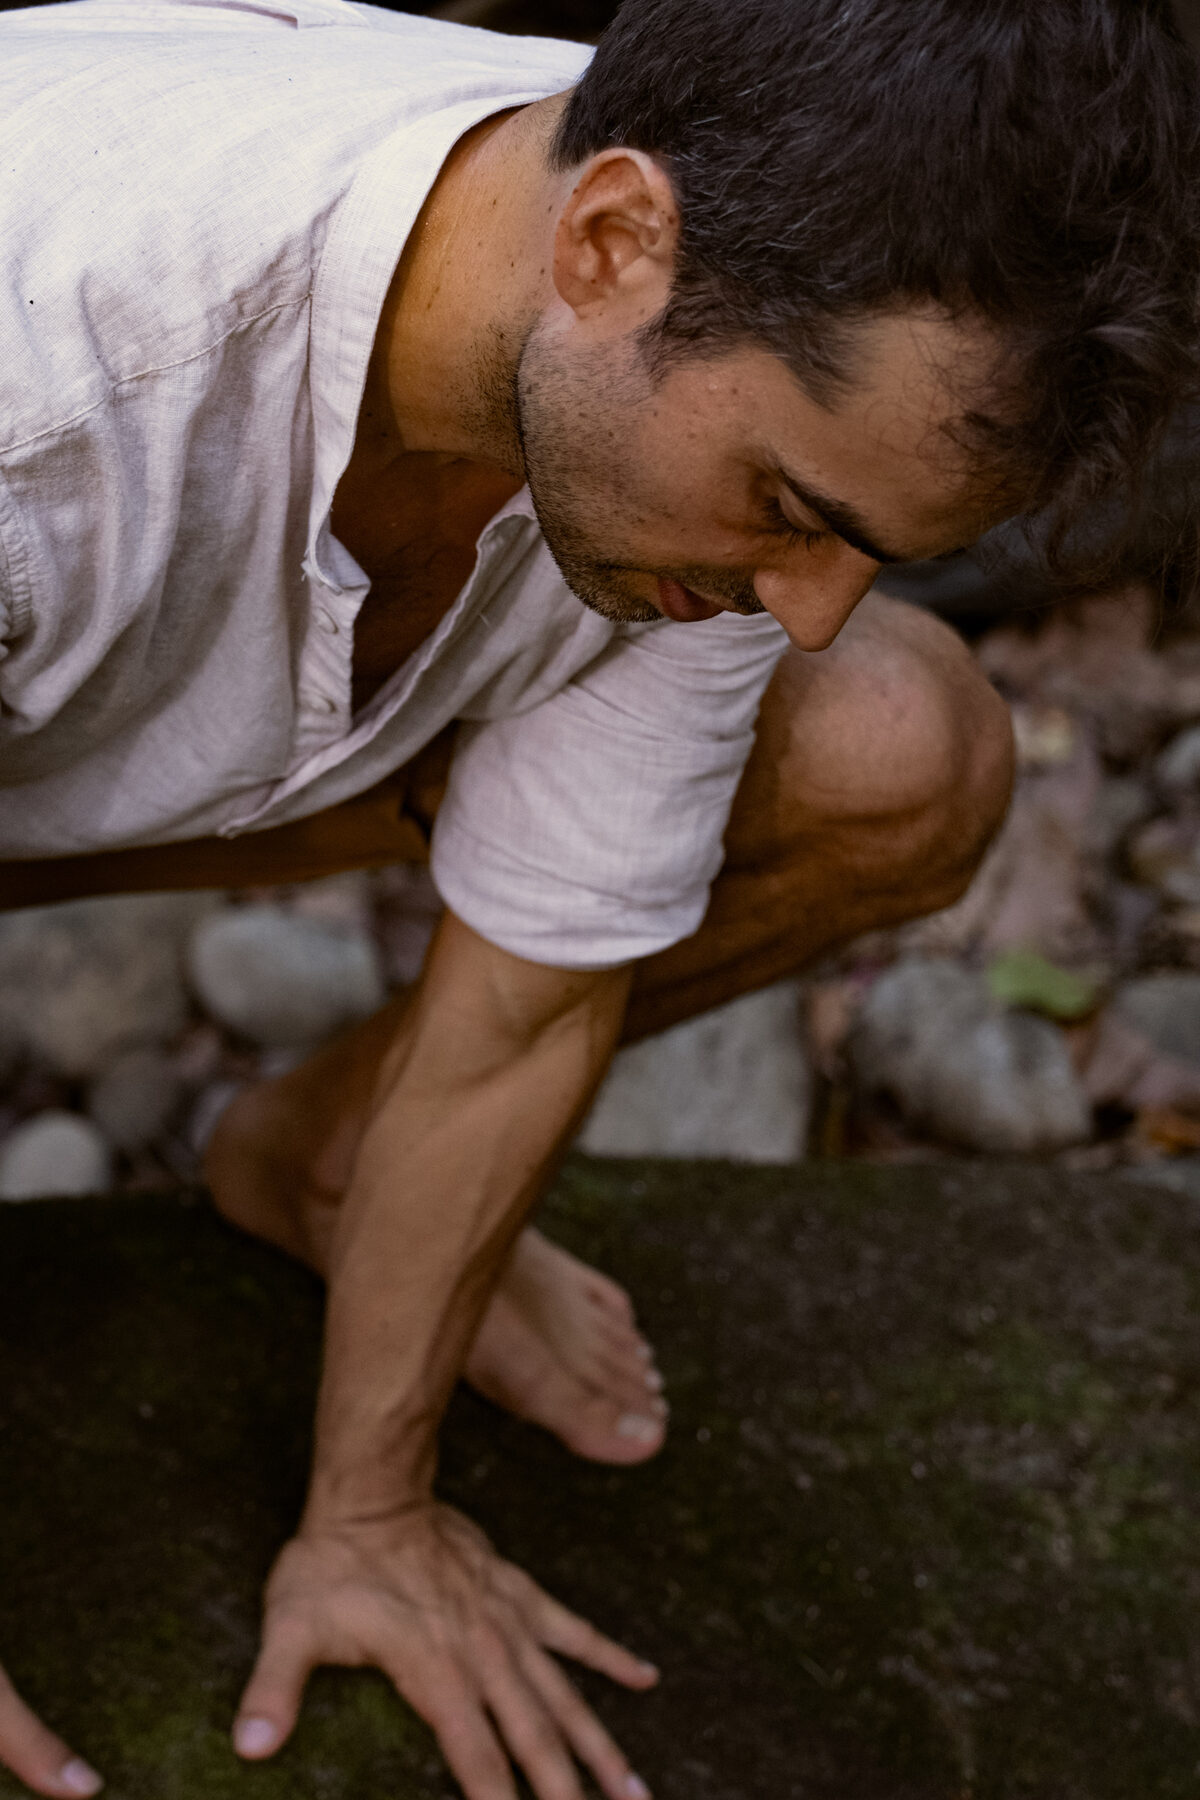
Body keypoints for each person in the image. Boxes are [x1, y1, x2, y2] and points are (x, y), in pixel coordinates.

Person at [0, 0, 1196, 1795]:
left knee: (893, 741)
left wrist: (372, 1516)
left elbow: (532, 989)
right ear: (610, 242)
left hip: (119, 727)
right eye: (792, 506)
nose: (807, 604)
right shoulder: (60, 376)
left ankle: (327, 1159)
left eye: (864, 543)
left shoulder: (671, 369)